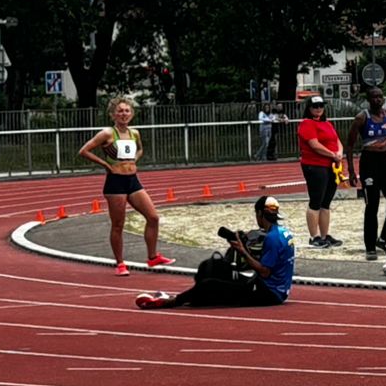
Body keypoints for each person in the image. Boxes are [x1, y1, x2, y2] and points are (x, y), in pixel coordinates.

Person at [136, 196, 296, 310]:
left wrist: (242, 251)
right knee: (217, 269)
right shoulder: (283, 232)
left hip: (268, 292)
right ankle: (192, 298)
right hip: (271, 285)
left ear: (260, 213)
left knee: (209, 284)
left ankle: (169, 302)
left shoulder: (273, 239)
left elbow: (265, 271)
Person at [77, 96, 169, 276]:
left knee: (153, 217)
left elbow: (140, 149)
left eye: (127, 111)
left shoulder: (135, 133)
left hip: (133, 180)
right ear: (113, 115)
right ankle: (120, 263)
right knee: (118, 225)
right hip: (115, 183)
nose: (124, 114)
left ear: (132, 114)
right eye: (120, 111)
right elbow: (84, 151)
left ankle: (152, 257)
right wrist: (105, 164)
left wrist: (134, 160)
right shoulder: (107, 133)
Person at [346, 87, 386, 258]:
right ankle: (370, 247)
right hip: (369, 161)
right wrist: (351, 170)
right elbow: (350, 145)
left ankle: (384, 239)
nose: (378, 100)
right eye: (374, 97)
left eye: (380, 97)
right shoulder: (361, 118)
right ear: (368, 100)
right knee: (372, 205)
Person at [296, 96, 344, 248]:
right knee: (316, 200)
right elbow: (314, 145)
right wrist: (332, 154)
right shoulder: (307, 124)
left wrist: (339, 153)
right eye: (315, 106)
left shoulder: (327, 123)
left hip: (331, 165)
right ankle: (314, 236)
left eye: (321, 106)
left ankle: (324, 235)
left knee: (326, 202)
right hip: (315, 165)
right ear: (309, 108)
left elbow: (337, 140)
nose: (318, 109)